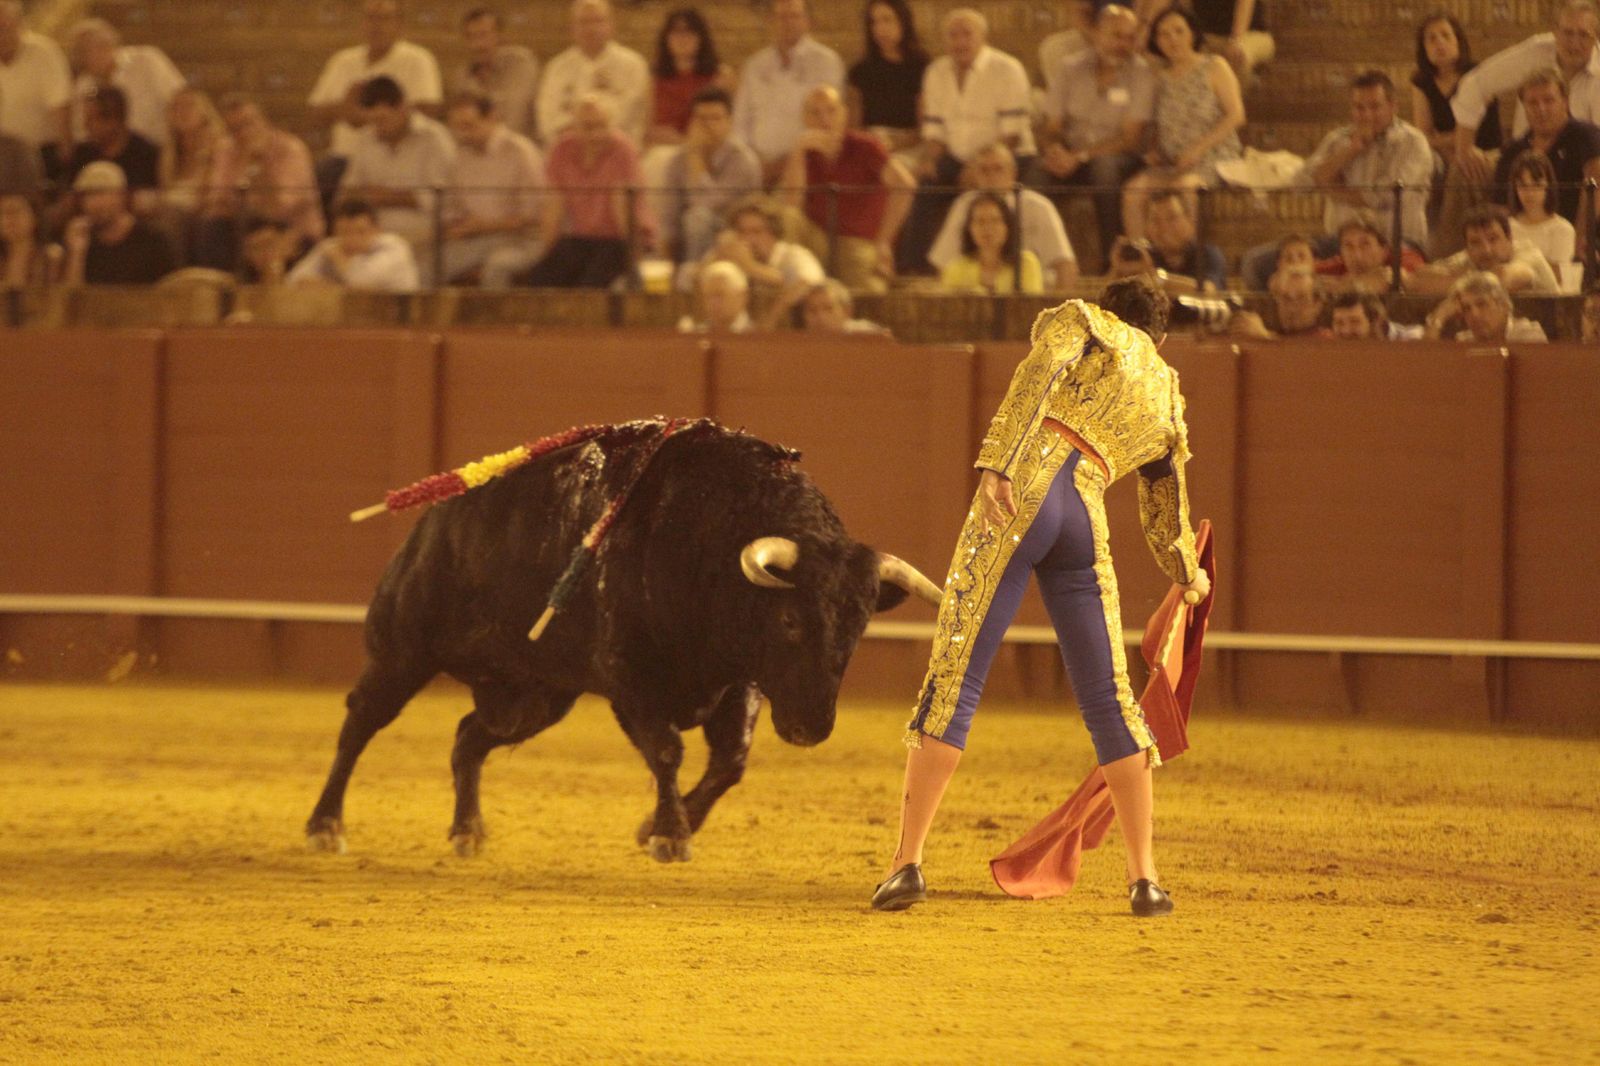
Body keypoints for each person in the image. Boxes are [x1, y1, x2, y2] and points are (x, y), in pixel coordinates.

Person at [874, 274, 1207, 917]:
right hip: (1087, 514)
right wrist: (1186, 572)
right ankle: (1146, 880)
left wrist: (997, 460)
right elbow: (1166, 500)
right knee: (1110, 697)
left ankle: (906, 863)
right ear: (1159, 335)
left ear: (1113, 312)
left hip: (1026, 488)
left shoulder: (1084, 320)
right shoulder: (1166, 390)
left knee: (958, 675)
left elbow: (1038, 370)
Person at [1438, 1, 1600, 254]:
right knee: (1463, 172)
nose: (1574, 42)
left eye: (1583, 34)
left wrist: (1581, 236)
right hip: (1523, 158)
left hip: (1584, 161)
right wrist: (1464, 149)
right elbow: (1473, 85)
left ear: (1596, 37)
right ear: (1555, 32)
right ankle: (1458, 258)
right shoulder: (1536, 52)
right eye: (1568, 33)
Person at [901, 9, 1034, 270]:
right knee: (924, 184)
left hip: (1006, 156)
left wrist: (977, 168)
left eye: (967, 34)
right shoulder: (935, 72)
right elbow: (934, 131)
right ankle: (915, 270)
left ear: (983, 37)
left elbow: (1011, 134)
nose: (959, 42)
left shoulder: (1007, 69)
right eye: (952, 35)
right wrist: (930, 159)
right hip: (954, 155)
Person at [1030, 4, 1155, 269]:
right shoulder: (1070, 67)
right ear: (1097, 33)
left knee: (1104, 170)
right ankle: (1032, 261)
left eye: (1130, 37)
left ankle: (1111, 262)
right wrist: (1054, 151)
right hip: (1072, 154)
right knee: (1034, 174)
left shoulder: (1141, 73)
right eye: (1116, 35)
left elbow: (1130, 139)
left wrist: (1080, 156)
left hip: (1119, 157)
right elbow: (1051, 127)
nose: (1123, 44)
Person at [1121, 5, 1244, 242]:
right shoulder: (1159, 78)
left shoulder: (1214, 66)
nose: (1172, 39)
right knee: (1133, 191)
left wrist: (1198, 148)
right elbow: (1157, 124)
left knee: (1187, 188)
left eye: (1179, 31)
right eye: (1164, 34)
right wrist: (1154, 149)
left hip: (1212, 157)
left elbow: (1236, 114)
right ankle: (1140, 261)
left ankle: (1191, 260)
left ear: (1192, 34)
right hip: (1173, 162)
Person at [779, 84, 915, 291]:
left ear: (844, 114)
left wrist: (883, 242)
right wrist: (798, 153)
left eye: (831, 111)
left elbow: (905, 186)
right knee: (786, 219)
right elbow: (791, 205)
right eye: (815, 113)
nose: (824, 120)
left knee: (868, 290)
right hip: (817, 236)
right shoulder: (804, 152)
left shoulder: (866, 146)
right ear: (805, 119)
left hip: (856, 242)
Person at [522, 94, 652, 289]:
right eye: (588, 127)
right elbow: (553, 209)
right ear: (574, 127)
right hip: (581, 238)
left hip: (620, 239)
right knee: (540, 281)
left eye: (602, 126)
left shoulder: (623, 149)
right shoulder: (561, 148)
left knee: (588, 288)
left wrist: (635, 262)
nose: (596, 134)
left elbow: (624, 214)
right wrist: (548, 256)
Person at [1299, 70, 1434, 253]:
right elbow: (1302, 183)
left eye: (1375, 107)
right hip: (1341, 244)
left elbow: (1387, 195)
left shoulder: (1413, 142)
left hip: (1395, 243)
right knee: (1257, 263)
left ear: (1393, 106)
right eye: (1359, 108)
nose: (1367, 115)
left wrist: (1331, 187)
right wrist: (1350, 150)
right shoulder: (1338, 139)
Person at [338, 76, 455, 278]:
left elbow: (441, 198)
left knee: (375, 270)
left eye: (383, 120)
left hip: (422, 236)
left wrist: (383, 197)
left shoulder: (434, 138)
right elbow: (349, 191)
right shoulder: (367, 138)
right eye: (373, 121)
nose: (378, 127)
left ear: (403, 108)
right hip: (368, 234)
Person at [197, 96, 324, 270]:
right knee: (213, 226)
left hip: (292, 227)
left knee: (267, 238)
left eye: (248, 124)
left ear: (264, 121)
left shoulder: (291, 149)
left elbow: (282, 205)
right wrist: (243, 161)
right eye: (234, 129)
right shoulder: (227, 149)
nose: (242, 133)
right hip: (244, 222)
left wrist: (260, 162)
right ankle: (221, 287)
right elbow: (218, 198)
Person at [930, 142, 1077, 290]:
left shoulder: (1039, 207)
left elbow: (1065, 266)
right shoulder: (963, 205)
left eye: (998, 169)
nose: (992, 176)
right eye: (984, 170)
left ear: (1013, 173)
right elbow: (943, 264)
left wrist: (1057, 311)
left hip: (1034, 295)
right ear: (975, 175)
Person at [732, 0, 845, 183]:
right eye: (782, 17)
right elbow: (740, 123)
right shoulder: (754, 65)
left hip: (808, 167)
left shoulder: (826, 63)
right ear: (770, 21)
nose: (788, 22)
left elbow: (829, 122)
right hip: (755, 170)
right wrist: (752, 164)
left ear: (808, 21)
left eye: (795, 16)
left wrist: (787, 163)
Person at [441, 92, 545, 288]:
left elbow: (534, 217)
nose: (462, 133)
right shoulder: (460, 155)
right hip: (475, 238)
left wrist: (485, 226)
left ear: (491, 118)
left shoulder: (520, 151)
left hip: (521, 240)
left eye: (468, 126)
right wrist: (457, 227)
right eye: (457, 127)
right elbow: (452, 209)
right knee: (427, 259)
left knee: (495, 265)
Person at [1488, 69, 1600, 231]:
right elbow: (1500, 207)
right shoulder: (1513, 151)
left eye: (1549, 100)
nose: (1541, 109)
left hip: (1580, 238)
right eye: (1533, 103)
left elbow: (1596, 186)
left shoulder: (1587, 136)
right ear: (1524, 107)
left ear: (1565, 102)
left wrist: (1580, 240)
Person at [659, 87, 760, 265]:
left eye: (715, 118)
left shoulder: (743, 160)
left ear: (729, 122)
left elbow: (707, 204)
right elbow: (669, 212)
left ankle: (694, 279)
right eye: (701, 119)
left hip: (736, 233)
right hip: (688, 234)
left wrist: (696, 156)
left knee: (697, 218)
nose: (707, 125)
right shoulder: (677, 160)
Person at [538, 0, 651, 148]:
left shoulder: (633, 65)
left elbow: (626, 116)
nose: (591, 28)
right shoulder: (557, 68)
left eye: (598, 21)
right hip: (568, 153)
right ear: (572, 28)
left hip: (619, 154)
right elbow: (548, 118)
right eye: (583, 22)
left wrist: (586, 127)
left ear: (611, 25)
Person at [66, 18, 185, 148]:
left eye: (82, 50)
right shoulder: (83, 87)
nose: (77, 58)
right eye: (76, 52)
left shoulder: (147, 61)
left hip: (160, 150)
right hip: (115, 158)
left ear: (105, 46)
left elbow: (179, 99)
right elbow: (80, 131)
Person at [61, 160, 176, 285]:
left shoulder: (153, 238)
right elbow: (73, 299)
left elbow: (171, 291)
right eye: (88, 195)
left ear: (122, 196)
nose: (95, 203)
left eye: (102, 193)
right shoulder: (82, 239)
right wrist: (77, 254)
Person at [1409, 13, 1502, 162]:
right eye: (1432, 39)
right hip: (1445, 155)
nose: (1439, 42)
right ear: (1424, 48)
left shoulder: (1477, 74)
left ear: (1458, 41)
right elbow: (1423, 137)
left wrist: (1443, 139)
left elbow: (1478, 131)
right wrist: (1451, 142)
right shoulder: (1421, 82)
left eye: (1446, 36)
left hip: (1485, 152)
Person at [1409, 204, 1560, 295]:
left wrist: (1450, 279)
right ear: (1467, 248)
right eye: (1475, 243)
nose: (1486, 250)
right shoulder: (1469, 258)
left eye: (1493, 239)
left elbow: (1502, 279)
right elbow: (1420, 277)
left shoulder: (1528, 254)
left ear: (1509, 239)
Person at [0, 1, 72, 177]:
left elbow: (60, 106)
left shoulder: (44, 53)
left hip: (41, 154)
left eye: (4, 28)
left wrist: (66, 151)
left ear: (19, 24)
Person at [647, 8, 735, 153]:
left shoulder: (721, 77)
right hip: (663, 152)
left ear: (701, 37)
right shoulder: (652, 78)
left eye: (689, 32)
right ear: (666, 38)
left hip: (708, 151)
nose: (682, 38)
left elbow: (729, 126)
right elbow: (647, 128)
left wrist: (684, 142)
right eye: (676, 32)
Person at [846, 0, 929, 150]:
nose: (880, 29)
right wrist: (872, 143)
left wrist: (896, 143)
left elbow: (923, 127)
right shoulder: (860, 71)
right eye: (874, 22)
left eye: (887, 20)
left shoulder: (921, 67)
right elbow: (854, 126)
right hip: (869, 144)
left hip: (909, 146)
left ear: (903, 21)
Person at [288, 197, 419, 292]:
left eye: (361, 232)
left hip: (397, 324)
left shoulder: (395, 247)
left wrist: (339, 259)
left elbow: (360, 283)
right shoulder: (331, 245)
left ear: (377, 230)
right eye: (344, 232)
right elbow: (294, 280)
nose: (352, 239)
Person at [702, 198, 823, 293]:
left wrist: (750, 268)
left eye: (756, 232)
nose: (748, 239)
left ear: (774, 233)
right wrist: (716, 258)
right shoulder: (730, 253)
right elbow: (690, 280)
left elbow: (812, 284)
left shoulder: (794, 255)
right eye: (741, 232)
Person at [1133, 0, 1274, 82]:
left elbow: (1245, 3)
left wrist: (1236, 39)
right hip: (1208, 37)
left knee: (1238, 56)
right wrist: (1145, 29)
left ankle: (1229, 115)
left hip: (1250, 34)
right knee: (1161, 59)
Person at [452, 7, 538, 140]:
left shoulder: (520, 63)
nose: (478, 45)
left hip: (518, 149)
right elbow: (460, 125)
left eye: (483, 35)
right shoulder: (463, 76)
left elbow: (514, 119)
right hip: (477, 149)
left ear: (499, 36)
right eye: (471, 37)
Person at [937, 191, 1043, 295]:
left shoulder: (1025, 263)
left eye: (995, 220)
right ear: (969, 228)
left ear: (1008, 226)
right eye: (980, 221)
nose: (987, 228)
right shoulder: (956, 269)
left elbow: (1030, 306)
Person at [64, 87, 160, 200]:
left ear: (114, 121)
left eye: (91, 120)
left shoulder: (145, 153)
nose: (85, 126)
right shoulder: (83, 153)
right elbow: (70, 197)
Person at [1505, 149, 1578, 275]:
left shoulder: (1562, 229)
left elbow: (1559, 276)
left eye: (1537, 184)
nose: (1530, 192)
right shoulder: (1506, 226)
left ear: (1548, 186)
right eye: (1523, 185)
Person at [1423, 270, 1548, 342]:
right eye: (1466, 308)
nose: (1474, 314)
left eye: (1482, 304)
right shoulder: (1465, 341)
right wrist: (1440, 316)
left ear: (1503, 305)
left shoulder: (1529, 336)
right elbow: (1425, 363)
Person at [158, 88, 224, 216]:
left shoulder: (219, 147)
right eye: (175, 107)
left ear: (204, 112)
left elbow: (213, 195)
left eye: (189, 105)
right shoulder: (169, 154)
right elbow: (164, 191)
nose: (181, 112)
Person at [1314, 218, 1424, 294]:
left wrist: (1343, 286)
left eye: (1365, 244)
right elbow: (1305, 273)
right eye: (1348, 246)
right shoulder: (1341, 262)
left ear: (1384, 249)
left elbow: (1389, 279)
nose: (1357, 255)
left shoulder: (1404, 257)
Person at [1229, 266, 1328, 338]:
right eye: (1286, 299)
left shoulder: (1326, 340)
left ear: (1317, 305)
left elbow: (1298, 360)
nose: (1292, 308)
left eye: (1301, 299)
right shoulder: (1277, 334)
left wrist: (1264, 337)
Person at [0, 191, 62, 287]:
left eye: (17, 211)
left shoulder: (52, 257)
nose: (10, 218)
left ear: (35, 217)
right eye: (4, 212)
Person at [676, 259, 752, 333]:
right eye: (708, 296)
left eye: (719, 295)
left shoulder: (757, 336)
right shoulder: (696, 335)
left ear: (742, 296)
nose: (713, 302)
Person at [800, 277, 890, 334]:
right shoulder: (798, 345)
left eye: (828, 309)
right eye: (812, 310)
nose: (820, 317)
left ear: (847, 312)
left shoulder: (867, 335)